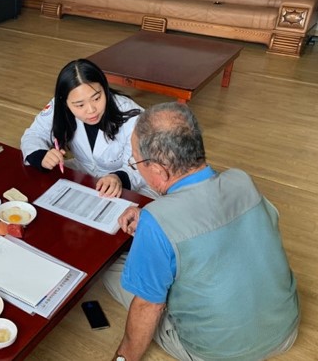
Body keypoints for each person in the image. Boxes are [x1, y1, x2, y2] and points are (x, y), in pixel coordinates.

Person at [104, 102, 299, 361]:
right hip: (285, 329)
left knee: (113, 271)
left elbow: (148, 306)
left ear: (159, 170)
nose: (136, 166)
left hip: (219, 353)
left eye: (135, 161)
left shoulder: (157, 220)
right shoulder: (241, 180)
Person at [21, 58, 146, 197]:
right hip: (82, 172)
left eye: (97, 98)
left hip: (128, 182)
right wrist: (42, 156)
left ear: (104, 89)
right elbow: (34, 134)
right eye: (80, 105)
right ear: (65, 102)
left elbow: (144, 162)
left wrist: (119, 178)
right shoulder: (58, 106)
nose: (91, 110)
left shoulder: (132, 115)